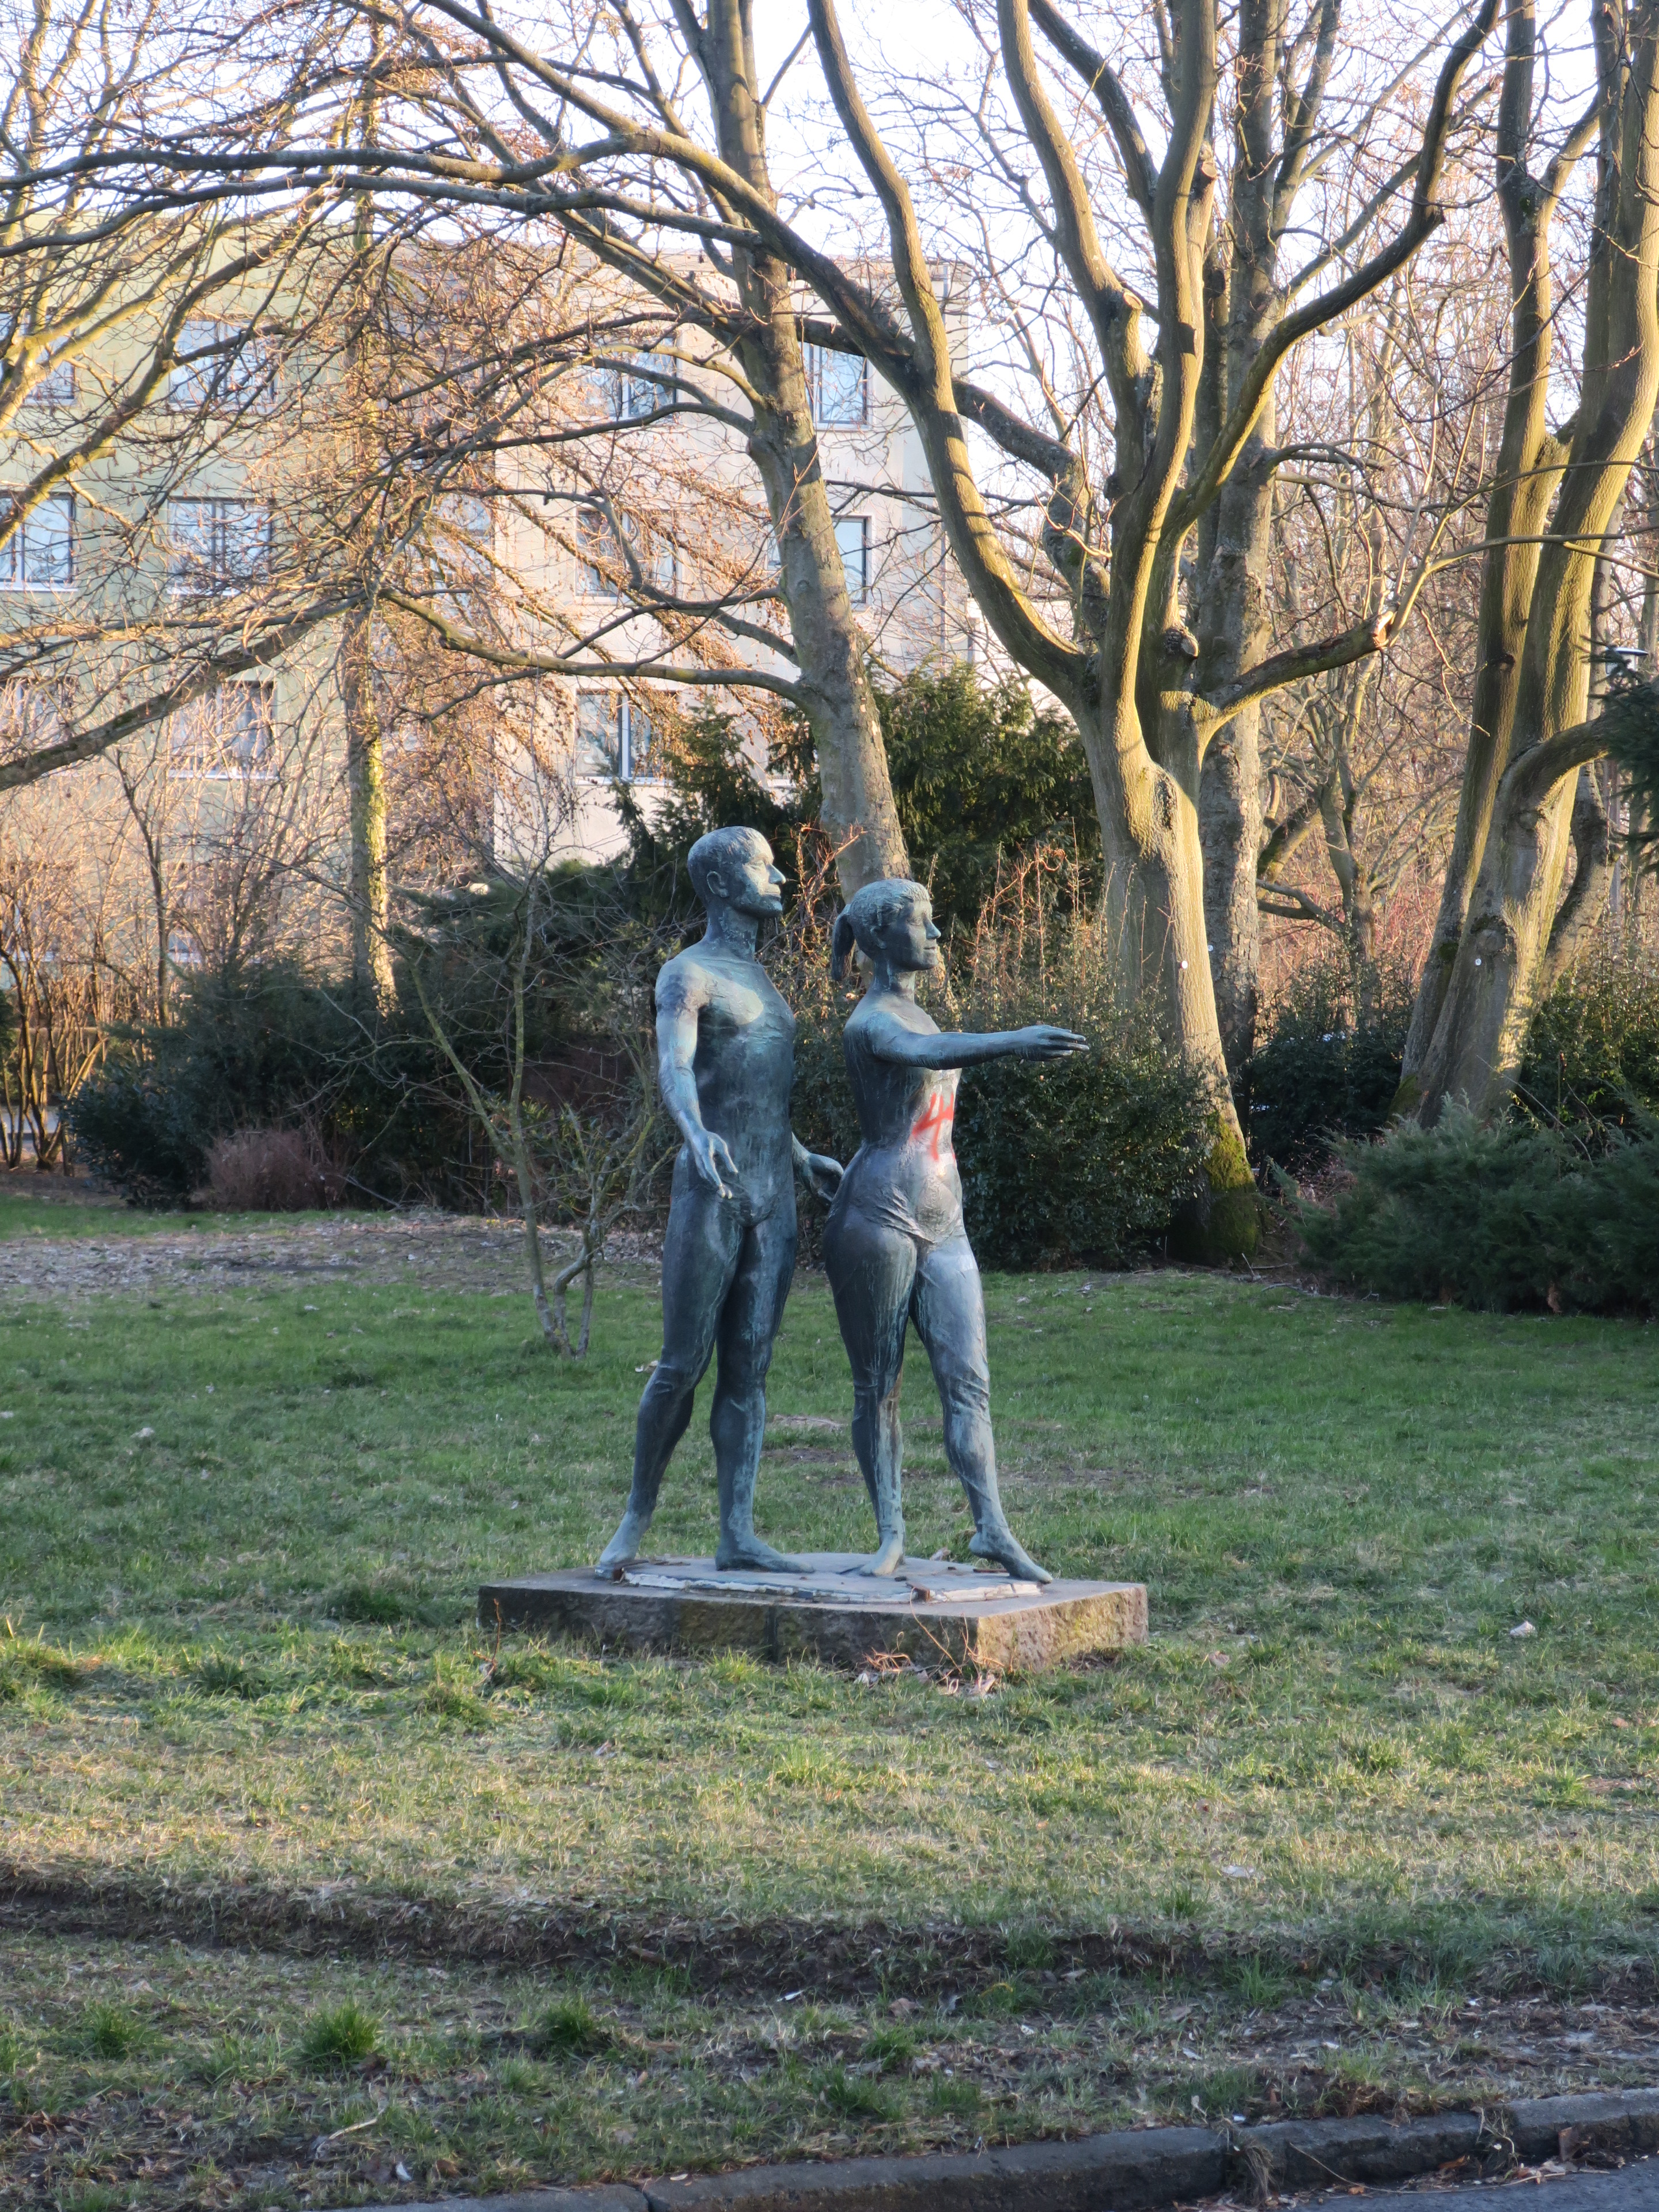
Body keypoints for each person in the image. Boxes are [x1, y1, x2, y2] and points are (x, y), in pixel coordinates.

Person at [821, 878, 1086, 1581]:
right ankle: (890, 1535)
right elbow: (930, 1054)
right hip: (878, 1219)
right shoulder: (872, 1021)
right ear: (879, 938)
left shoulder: (921, 1011)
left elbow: (935, 1051)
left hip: (946, 1220)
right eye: (923, 923)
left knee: (970, 1381)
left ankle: (992, 1527)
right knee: (877, 1386)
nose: (938, 935)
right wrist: (1013, 1041)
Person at [596, 826, 842, 1575]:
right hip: (713, 1186)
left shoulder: (763, 979)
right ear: (721, 885)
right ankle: (635, 1517)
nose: (781, 879)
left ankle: (738, 1531)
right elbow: (675, 1066)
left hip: (774, 1191)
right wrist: (694, 1131)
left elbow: (754, 1084)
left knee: (749, 1368)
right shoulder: (687, 974)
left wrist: (800, 1156)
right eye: (764, 868)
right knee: (682, 1362)